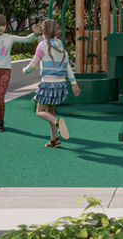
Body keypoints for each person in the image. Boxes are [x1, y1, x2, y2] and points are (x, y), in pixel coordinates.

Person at [23, 18, 81, 148]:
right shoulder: (61, 46)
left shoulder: (43, 45)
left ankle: (57, 122)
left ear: (43, 31)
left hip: (48, 84)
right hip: (60, 85)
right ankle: (55, 140)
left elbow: (33, 65)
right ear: (56, 31)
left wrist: (24, 70)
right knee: (51, 111)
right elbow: (67, 67)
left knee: (40, 111)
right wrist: (73, 83)